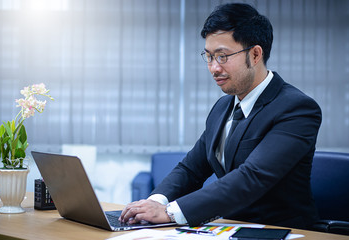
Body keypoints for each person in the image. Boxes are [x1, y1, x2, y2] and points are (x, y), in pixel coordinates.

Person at [119, 3, 322, 230]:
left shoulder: (297, 108)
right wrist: (153, 203)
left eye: (222, 56)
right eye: (208, 56)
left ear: (255, 54)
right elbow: (191, 169)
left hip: (280, 231)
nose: (214, 68)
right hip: (227, 228)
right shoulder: (223, 106)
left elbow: (251, 177)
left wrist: (170, 212)